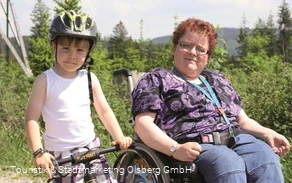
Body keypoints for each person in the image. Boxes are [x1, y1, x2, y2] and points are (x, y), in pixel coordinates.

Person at [132, 18, 291, 183]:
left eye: (201, 49)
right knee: (228, 163)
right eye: (186, 45)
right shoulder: (157, 79)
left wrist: (268, 133)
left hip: (236, 138)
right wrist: (174, 149)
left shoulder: (217, 79)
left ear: (207, 56)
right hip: (196, 144)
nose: (193, 52)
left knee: (265, 157)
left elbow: (242, 120)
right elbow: (143, 125)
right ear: (175, 47)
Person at [25, 10, 132, 183]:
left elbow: (104, 111)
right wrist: (38, 152)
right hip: (60, 156)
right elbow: (31, 118)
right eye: (66, 48)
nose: (72, 55)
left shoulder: (89, 78)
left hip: (91, 150)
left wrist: (118, 136)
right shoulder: (44, 80)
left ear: (88, 51)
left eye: (80, 49)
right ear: (54, 46)